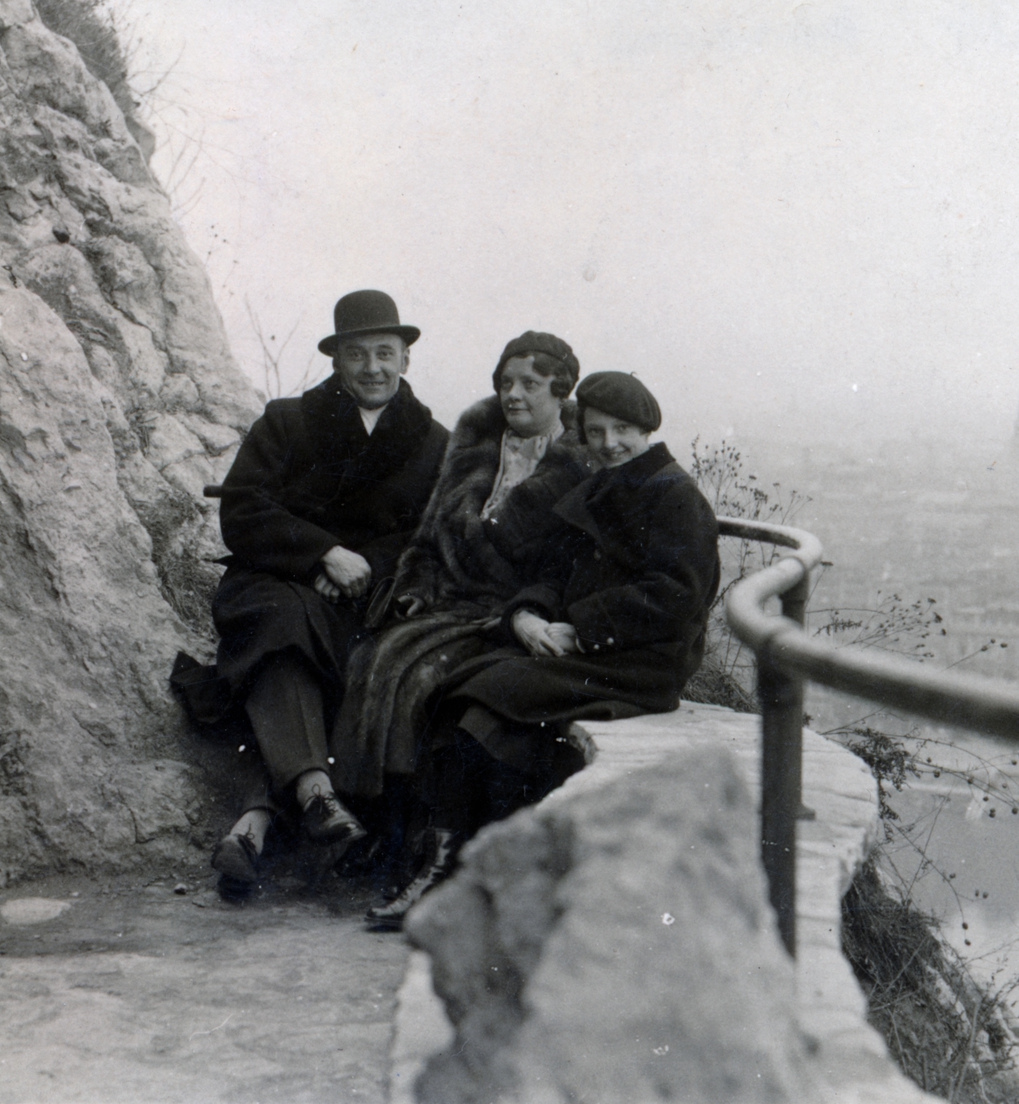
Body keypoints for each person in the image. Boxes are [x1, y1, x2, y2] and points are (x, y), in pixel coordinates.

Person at [365, 371, 721, 929]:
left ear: (648, 429)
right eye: (598, 431)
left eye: (623, 430)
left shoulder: (675, 495)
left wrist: (579, 628)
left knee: (490, 692)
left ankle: (446, 875)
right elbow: (552, 569)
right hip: (585, 649)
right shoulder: (598, 488)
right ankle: (453, 872)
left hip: (641, 662)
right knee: (471, 700)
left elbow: (678, 595)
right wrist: (528, 615)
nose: (609, 444)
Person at [329, 332, 595, 920]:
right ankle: (385, 828)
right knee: (375, 659)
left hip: (511, 612)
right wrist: (417, 586)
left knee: (423, 678)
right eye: (506, 383)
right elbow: (429, 534)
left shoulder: (580, 461)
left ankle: (422, 850)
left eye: (529, 384)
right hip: (449, 601)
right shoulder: (477, 440)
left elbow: (571, 564)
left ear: (562, 388)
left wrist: (526, 611)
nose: (513, 395)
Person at [206, 290, 449, 897]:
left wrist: (362, 566)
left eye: (385, 353)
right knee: (282, 624)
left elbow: (431, 535)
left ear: (406, 360)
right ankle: (316, 792)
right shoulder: (287, 421)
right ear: (337, 361)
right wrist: (320, 553)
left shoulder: (434, 442)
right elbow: (243, 509)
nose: (373, 367)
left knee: (339, 658)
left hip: (369, 595)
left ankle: (258, 821)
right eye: (358, 354)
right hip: (276, 578)